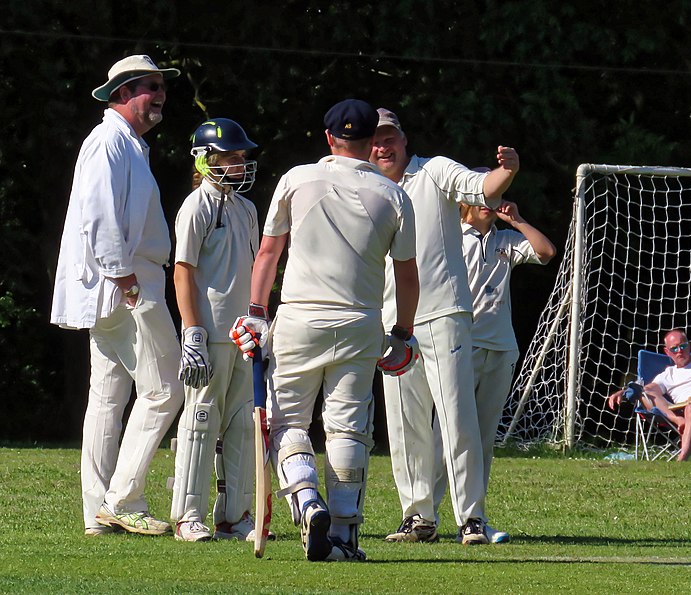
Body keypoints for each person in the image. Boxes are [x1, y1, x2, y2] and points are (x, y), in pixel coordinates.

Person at [230, 99, 419, 562]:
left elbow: (269, 254)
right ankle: (342, 535)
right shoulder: (395, 195)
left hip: (299, 319)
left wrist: (257, 311)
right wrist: (402, 333)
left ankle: (306, 500)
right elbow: (409, 275)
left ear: (330, 138)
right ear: (373, 142)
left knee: (287, 422)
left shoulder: (297, 178)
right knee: (349, 430)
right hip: (360, 323)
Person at [370, 108, 519, 545]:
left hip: (444, 313)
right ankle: (417, 517)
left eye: (390, 137)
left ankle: (471, 518)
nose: (383, 147)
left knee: (458, 416)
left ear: (403, 138)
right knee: (404, 422)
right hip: (392, 321)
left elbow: (479, 187)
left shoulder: (433, 171)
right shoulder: (364, 187)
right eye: (376, 140)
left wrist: (506, 171)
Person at [50, 54, 183, 536]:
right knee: (166, 389)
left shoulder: (126, 144)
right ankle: (123, 499)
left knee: (108, 397)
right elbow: (99, 217)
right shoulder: (109, 141)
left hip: (122, 281)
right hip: (127, 283)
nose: (160, 94)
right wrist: (124, 278)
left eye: (161, 86)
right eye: (150, 86)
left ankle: (97, 512)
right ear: (123, 93)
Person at [432, 192, 556, 543]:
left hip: (500, 349)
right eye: (481, 196)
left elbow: (546, 253)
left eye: (495, 196)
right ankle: (425, 515)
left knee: (483, 440)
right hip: (458, 346)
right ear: (464, 202)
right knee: (448, 436)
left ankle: (474, 520)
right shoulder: (449, 236)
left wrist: (516, 220)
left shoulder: (506, 240)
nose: (489, 202)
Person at [170, 118, 264, 542]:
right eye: (231, 157)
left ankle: (235, 516)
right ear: (206, 161)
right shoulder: (196, 206)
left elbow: (256, 271)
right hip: (209, 335)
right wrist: (193, 333)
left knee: (243, 424)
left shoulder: (247, 209)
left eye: (242, 157)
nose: (240, 164)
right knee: (201, 420)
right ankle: (187, 515)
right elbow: (183, 271)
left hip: (244, 334)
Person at [607, 328, 691, 461]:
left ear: (689, 345)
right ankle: (678, 421)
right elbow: (645, 389)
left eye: (683, 346)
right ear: (667, 352)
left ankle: (681, 459)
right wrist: (623, 392)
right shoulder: (668, 374)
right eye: (674, 348)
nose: (680, 351)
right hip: (679, 411)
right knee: (645, 393)